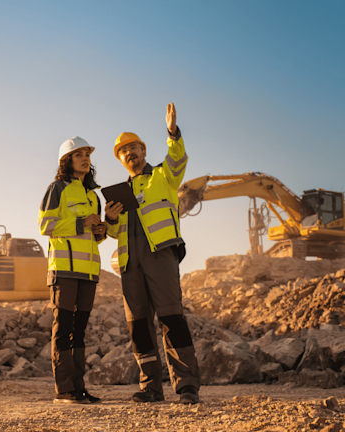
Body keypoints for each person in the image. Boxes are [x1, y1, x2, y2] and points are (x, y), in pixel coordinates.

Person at [105, 103, 201, 404]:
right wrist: (108, 218)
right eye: (124, 151)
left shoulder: (163, 176)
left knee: (172, 318)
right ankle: (151, 387)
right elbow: (113, 232)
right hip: (129, 263)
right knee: (139, 327)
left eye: (134, 147)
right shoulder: (118, 193)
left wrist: (172, 131)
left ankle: (186, 386)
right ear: (120, 160)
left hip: (160, 256)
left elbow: (177, 159)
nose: (130, 153)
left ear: (144, 151)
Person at [38, 136, 107, 404]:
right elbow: (46, 225)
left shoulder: (93, 196)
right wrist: (81, 223)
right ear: (67, 161)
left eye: (88, 155)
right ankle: (63, 389)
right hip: (64, 271)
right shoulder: (57, 188)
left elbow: (94, 236)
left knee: (79, 331)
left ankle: (79, 388)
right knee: (63, 327)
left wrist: (101, 231)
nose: (85, 159)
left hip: (88, 273)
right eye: (79, 155)